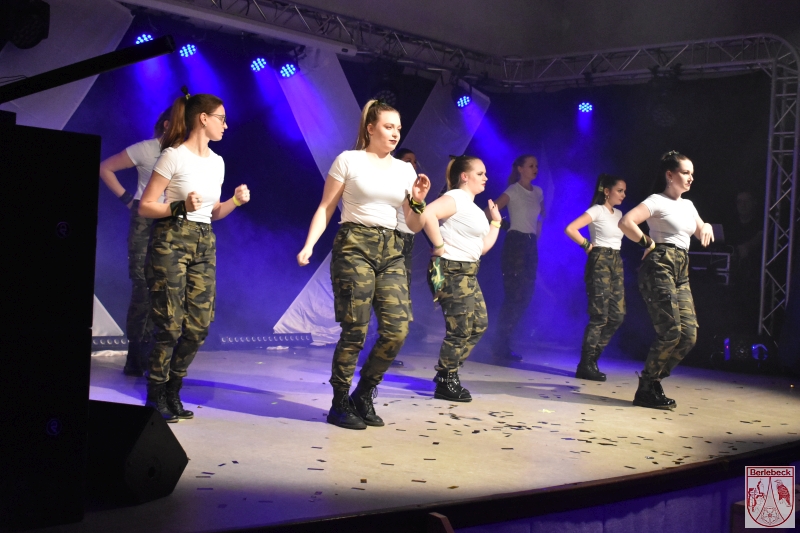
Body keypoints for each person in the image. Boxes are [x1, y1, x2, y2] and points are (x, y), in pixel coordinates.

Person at [297, 100, 430, 430]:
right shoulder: (349, 160)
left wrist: (417, 200)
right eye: (388, 126)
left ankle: (364, 393)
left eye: (398, 128)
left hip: (393, 249)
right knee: (354, 328)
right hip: (355, 245)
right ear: (370, 128)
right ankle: (340, 401)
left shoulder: (405, 170)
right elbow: (326, 207)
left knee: (397, 329)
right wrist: (309, 244)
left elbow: (414, 225)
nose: (395, 133)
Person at [139, 89, 250, 422]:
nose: (225, 126)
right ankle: (156, 393)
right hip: (171, 238)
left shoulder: (218, 162)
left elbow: (213, 213)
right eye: (221, 119)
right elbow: (146, 205)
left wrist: (235, 202)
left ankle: (174, 387)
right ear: (203, 118)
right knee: (169, 324)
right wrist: (179, 206)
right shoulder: (173, 156)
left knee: (199, 325)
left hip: (203, 240)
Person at [618, 151, 714, 410]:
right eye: (685, 172)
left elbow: (700, 229)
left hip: (681, 269)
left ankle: (653, 382)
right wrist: (648, 242)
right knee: (671, 331)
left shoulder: (688, 205)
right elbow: (626, 222)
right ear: (670, 175)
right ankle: (647, 388)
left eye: (692, 173)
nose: (690, 178)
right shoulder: (656, 201)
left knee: (689, 335)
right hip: (660, 264)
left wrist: (706, 226)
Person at [99, 106, 171, 376]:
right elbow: (106, 168)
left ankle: (154, 355)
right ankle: (136, 355)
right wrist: (128, 199)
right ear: (167, 124)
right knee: (143, 287)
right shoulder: (146, 149)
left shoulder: (184, 154)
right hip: (144, 221)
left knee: (165, 288)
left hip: (170, 221)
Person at [424, 155, 502, 401]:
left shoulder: (472, 207)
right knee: (460, 329)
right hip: (452, 270)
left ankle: (447, 371)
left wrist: (496, 223)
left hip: (468, 271)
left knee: (478, 324)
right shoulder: (456, 197)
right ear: (464, 176)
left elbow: (482, 248)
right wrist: (438, 245)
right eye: (480, 173)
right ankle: (446, 379)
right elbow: (428, 213)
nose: (485, 178)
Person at [564, 174, 627, 381]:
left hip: (616, 260)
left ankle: (591, 359)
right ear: (607, 191)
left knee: (617, 315)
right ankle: (586, 364)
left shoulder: (620, 214)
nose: (623, 195)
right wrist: (586, 245)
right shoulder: (597, 210)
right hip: (600, 259)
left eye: (624, 191)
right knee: (599, 315)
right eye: (619, 191)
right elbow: (571, 228)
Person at [490, 154, 544, 362]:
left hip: (530, 244)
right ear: (520, 169)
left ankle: (504, 340)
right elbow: (491, 210)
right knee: (514, 294)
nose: (535, 168)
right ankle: (500, 343)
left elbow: (541, 215)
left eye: (536, 165)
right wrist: (506, 227)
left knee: (526, 294)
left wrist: (537, 234)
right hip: (515, 243)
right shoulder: (513, 190)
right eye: (530, 165)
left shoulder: (538, 192)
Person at [391, 148, 421, 367]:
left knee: (402, 295)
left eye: (415, 161)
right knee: (391, 294)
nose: (413, 164)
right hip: (395, 238)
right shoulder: (394, 181)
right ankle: (375, 348)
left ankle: (389, 350)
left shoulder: (415, 185)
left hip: (408, 241)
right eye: (408, 160)